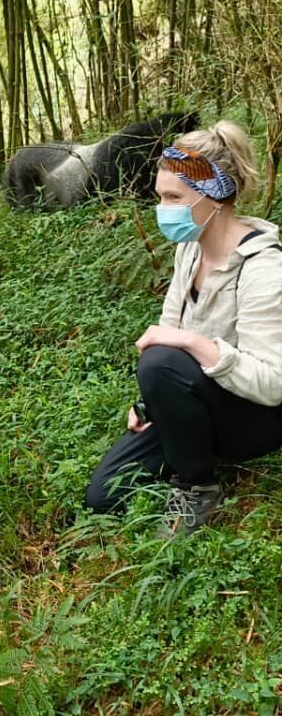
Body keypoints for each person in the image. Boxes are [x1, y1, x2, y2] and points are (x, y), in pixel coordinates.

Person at [85, 120, 282, 535]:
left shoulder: (264, 268)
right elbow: (168, 327)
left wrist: (192, 343)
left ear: (215, 196)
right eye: (160, 197)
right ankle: (188, 442)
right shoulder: (188, 250)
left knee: (160, 362)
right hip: (200, 402)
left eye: (174, 197)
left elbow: (272, 385)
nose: (164, 209)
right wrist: (153, 402)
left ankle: (197, 487)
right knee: (103, 496)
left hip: (254, 420)